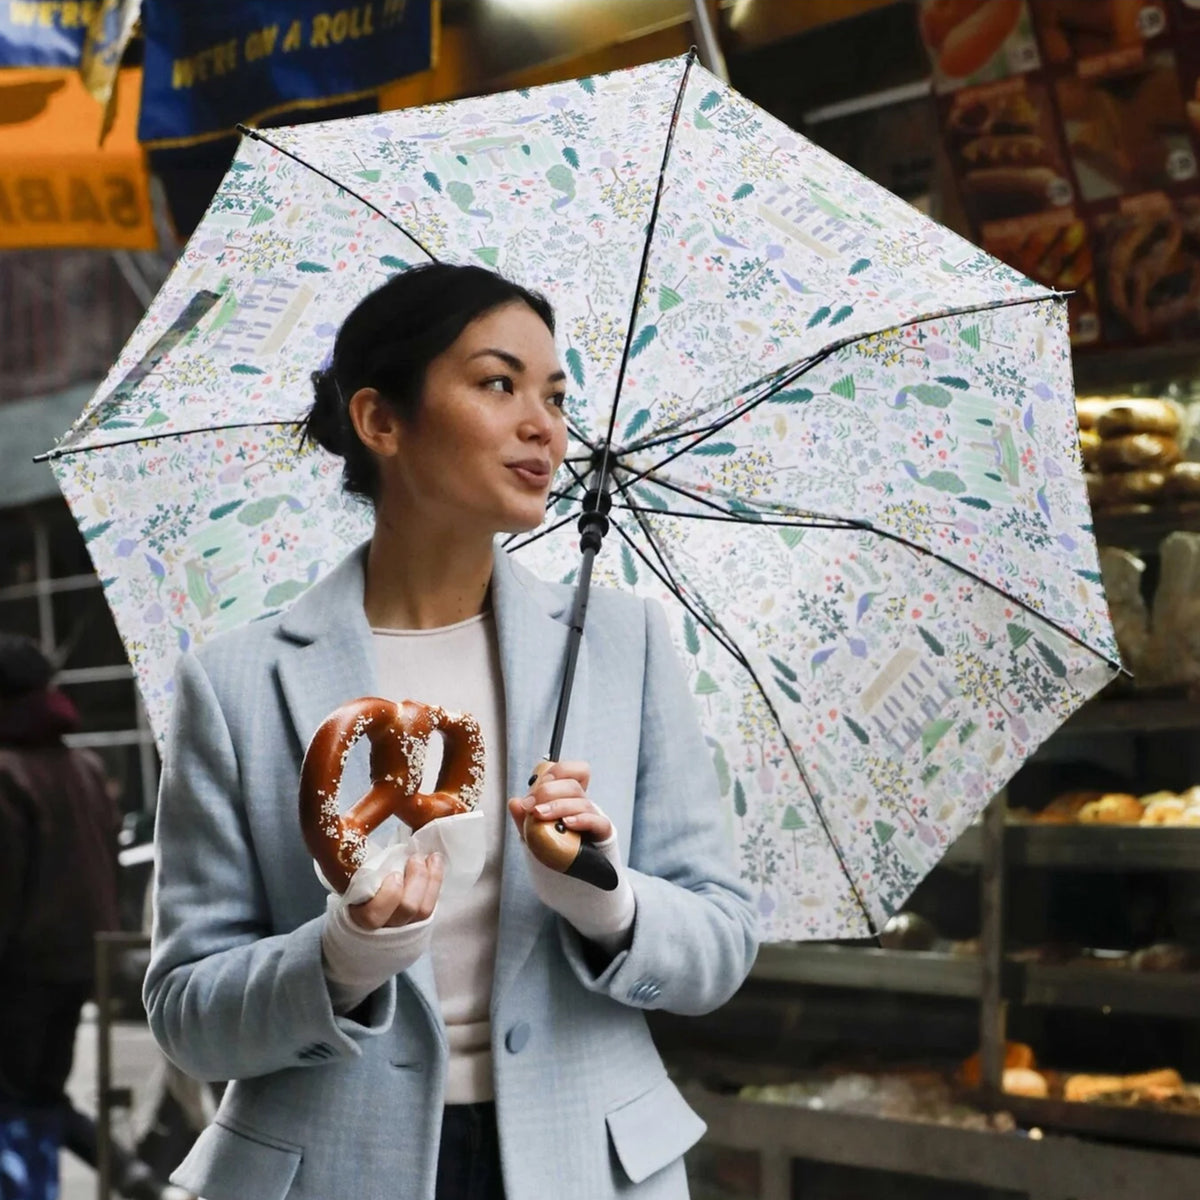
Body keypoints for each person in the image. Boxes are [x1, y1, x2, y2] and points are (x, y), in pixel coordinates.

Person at [143, 262, 759, 1200]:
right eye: (497, 383)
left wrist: (605, 899)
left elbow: (718, 945)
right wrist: (343, 956)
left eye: (556, 395)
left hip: (587, 1166)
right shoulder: (235, 683)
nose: (544, 425)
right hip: (325, 1172)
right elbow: (187, 1014)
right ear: (381, 421)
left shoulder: (621, 645)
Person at [0, 634, 185, 1200]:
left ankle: (46, 1188)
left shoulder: (7, 773)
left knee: (18, 1100)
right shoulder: (82, 767)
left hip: (20, 972)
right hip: (81, 963)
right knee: (37, 1095)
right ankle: (129, 1177)